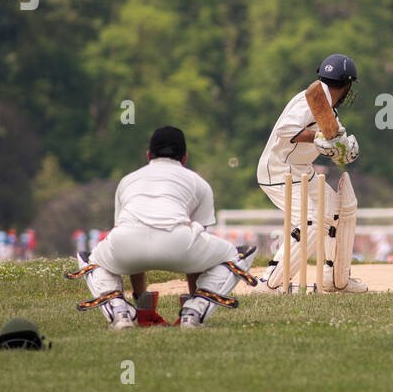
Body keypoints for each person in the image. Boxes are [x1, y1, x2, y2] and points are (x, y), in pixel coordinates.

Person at [71, 126, 256, 330]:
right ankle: (194, 312)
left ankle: (119, 312)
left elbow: (129, 230)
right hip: (178, 244)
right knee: (236, 254)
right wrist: (191, 298)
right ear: (184, 157)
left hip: (126, 245)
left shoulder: (127, 181)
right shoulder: (198, 182)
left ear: (148, 155)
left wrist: (144, 306)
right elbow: (197, 236)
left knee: (91, 259)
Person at [255, 54, 369, 294]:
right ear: (347, 85)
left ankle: (335, 278)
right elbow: (286, 132)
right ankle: (271, 283)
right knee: (312, 221)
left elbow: (332, 146)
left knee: (336, 210)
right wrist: (318, 138)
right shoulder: (311, 100)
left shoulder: (329, 111)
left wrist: (345, 151)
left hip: (302, 172)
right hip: (278, 171)